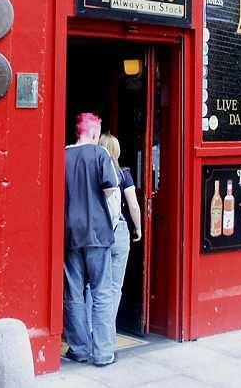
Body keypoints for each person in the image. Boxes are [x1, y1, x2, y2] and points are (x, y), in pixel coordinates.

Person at [64, 112, 118, 367]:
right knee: (101, 292)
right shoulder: (100, 155)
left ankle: (79, 349)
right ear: (95, 133)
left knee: (74, 293)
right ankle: (103, 352)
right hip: (98, 232)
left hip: (71, 233)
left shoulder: (62, 155)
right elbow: (111, 190)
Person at [97, 133, 142, 335]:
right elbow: (133, 204)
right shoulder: (124, 174)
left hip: (98, 232)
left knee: (95, 285)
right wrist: (138, 228)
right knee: (115, 286)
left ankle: (91, 329)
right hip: (120, 231)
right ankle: (107, 331)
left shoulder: (95, 174)